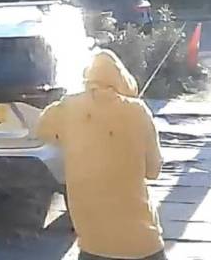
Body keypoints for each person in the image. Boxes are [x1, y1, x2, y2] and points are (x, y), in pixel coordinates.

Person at [36, 49, 165, 260]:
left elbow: (42, 130)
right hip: (142, 244)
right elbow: (153, 171)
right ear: (122, 79)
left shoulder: (68, 107)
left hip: (93, 245)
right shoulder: (138, 111)